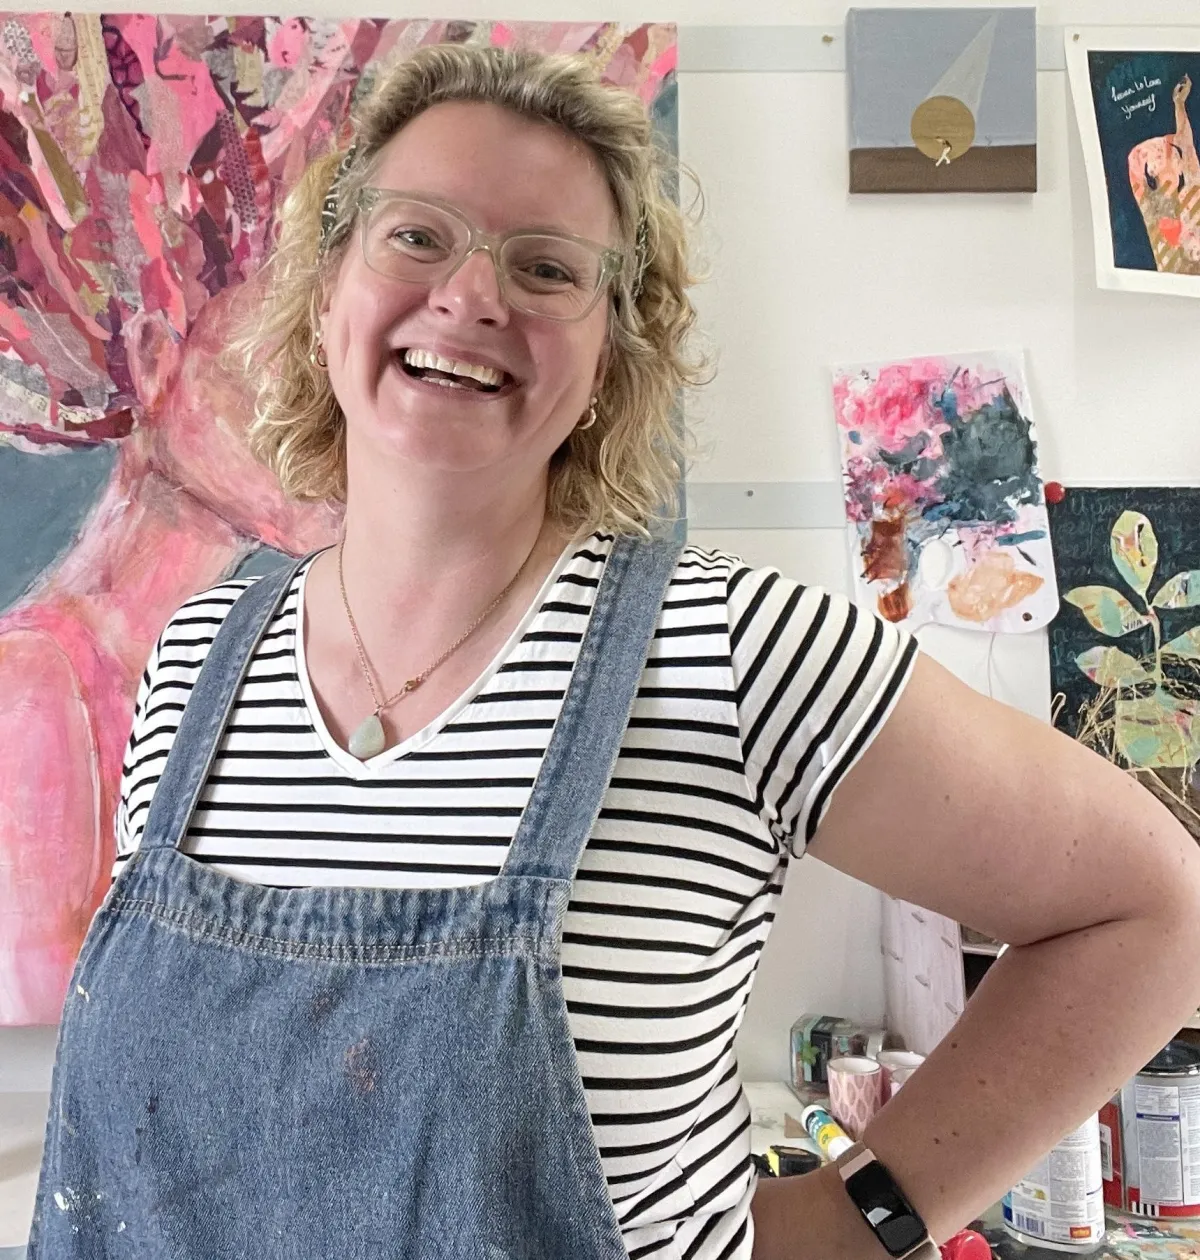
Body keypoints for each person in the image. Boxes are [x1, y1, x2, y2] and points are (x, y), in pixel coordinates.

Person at [28, 42, 1200, 1260]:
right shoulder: (198, 657)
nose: (472, 297)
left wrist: (867, 1221)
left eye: (545, 268)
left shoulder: (737, 651)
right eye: (416, 236)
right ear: (327, 296)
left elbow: (1153, 911)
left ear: (603, 363)